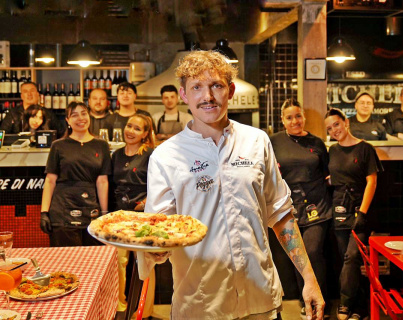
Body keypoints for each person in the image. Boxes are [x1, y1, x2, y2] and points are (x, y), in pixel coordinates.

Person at [145, 50, 324, 320]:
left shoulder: (257, 141)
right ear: (184, 95)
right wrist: (157, 250)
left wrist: (309, 278)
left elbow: (281, 213)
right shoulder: (165, 156)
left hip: (260, 298)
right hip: (201, 304)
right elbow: (161, 229)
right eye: (197, 87)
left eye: (216, 85)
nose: (207, 96)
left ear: (229, 91)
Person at [270, 98, 332, 317]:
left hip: (317, 205)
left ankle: (319, 302)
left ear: (304, 117)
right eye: (290, 117)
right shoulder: (273, 141)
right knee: (297, 253)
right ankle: (305, 301)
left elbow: (326, 174)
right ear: (282, 120)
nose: (295, 121)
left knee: (313, 251)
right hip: (287, 207)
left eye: (298, 116)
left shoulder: (317, 143)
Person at [324, 108, 383, 320]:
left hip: (360, 210)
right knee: (347, 261)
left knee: (352, 257)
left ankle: (345, 304)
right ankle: (360, 309)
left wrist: (363, 213)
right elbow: (333, 177)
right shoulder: (332, 151)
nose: (334, 130)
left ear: (346, 123)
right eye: (329, 129)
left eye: (336, 125)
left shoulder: (365, 148)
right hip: (338, 209)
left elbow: (372, 182)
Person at [39, 101, 111, 247]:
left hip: (91, 210)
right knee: (64, 262)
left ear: (89, 116)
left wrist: (104, 213)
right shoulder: (58, 145)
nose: (80, 119)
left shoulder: (101, 145)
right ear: (67, 121)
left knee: (93, 261)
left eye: (84, 114)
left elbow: (102, 181)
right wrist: (44, 212)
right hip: (62, 210)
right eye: (74, 115)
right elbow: (50, 180)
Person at [111, 114, 155, 316]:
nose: (131, 131)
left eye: (137, 128)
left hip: (141, 216)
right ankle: (120, 307)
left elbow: (159, 185)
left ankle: (144, 312)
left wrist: (144, 204)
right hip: (119, 216)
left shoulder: (151, 155)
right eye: (129, 126)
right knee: (119, 263)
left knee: (145, 263)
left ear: (145, 134)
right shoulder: (116, 155)